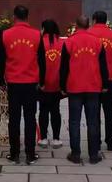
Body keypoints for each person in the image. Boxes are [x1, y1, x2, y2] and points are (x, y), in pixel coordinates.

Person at [0, 5, 46, 165]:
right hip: (31, 83)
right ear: (28, 17)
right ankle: (30, 154)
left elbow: (1, 60)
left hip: (13, 83)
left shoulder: (6, 34)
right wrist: (42, 81)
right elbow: (42, 61)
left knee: (14, 119)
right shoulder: (36, 35)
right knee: (30, 118)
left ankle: (14, 153)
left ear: (14, 16)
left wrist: (0, 80)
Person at [60, 16, 108, 164]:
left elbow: (64, 68)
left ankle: (75, 154)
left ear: (76, 25)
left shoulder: (69, 42)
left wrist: (62, 86)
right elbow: (103, 66)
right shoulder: (97, 42)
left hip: (74, 86)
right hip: (93, 86)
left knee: (74, 121)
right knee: (93, 121)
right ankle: (93, 155)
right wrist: (105, 84)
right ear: (88, 25)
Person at [89, 11, 112, 151]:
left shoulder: (89, 34)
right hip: (109, 78)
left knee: (94, 112)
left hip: (93, 78)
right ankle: (110, 141)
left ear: (94, 19)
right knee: (109, 112)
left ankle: (95, 141)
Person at [38, 19, 63, 149]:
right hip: (57, 84)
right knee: (55, 111)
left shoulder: (40, 42)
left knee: (43, 111)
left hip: (43, 84)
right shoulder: (62, 43)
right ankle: (56, 138)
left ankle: (43, 138)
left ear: (43, 29)